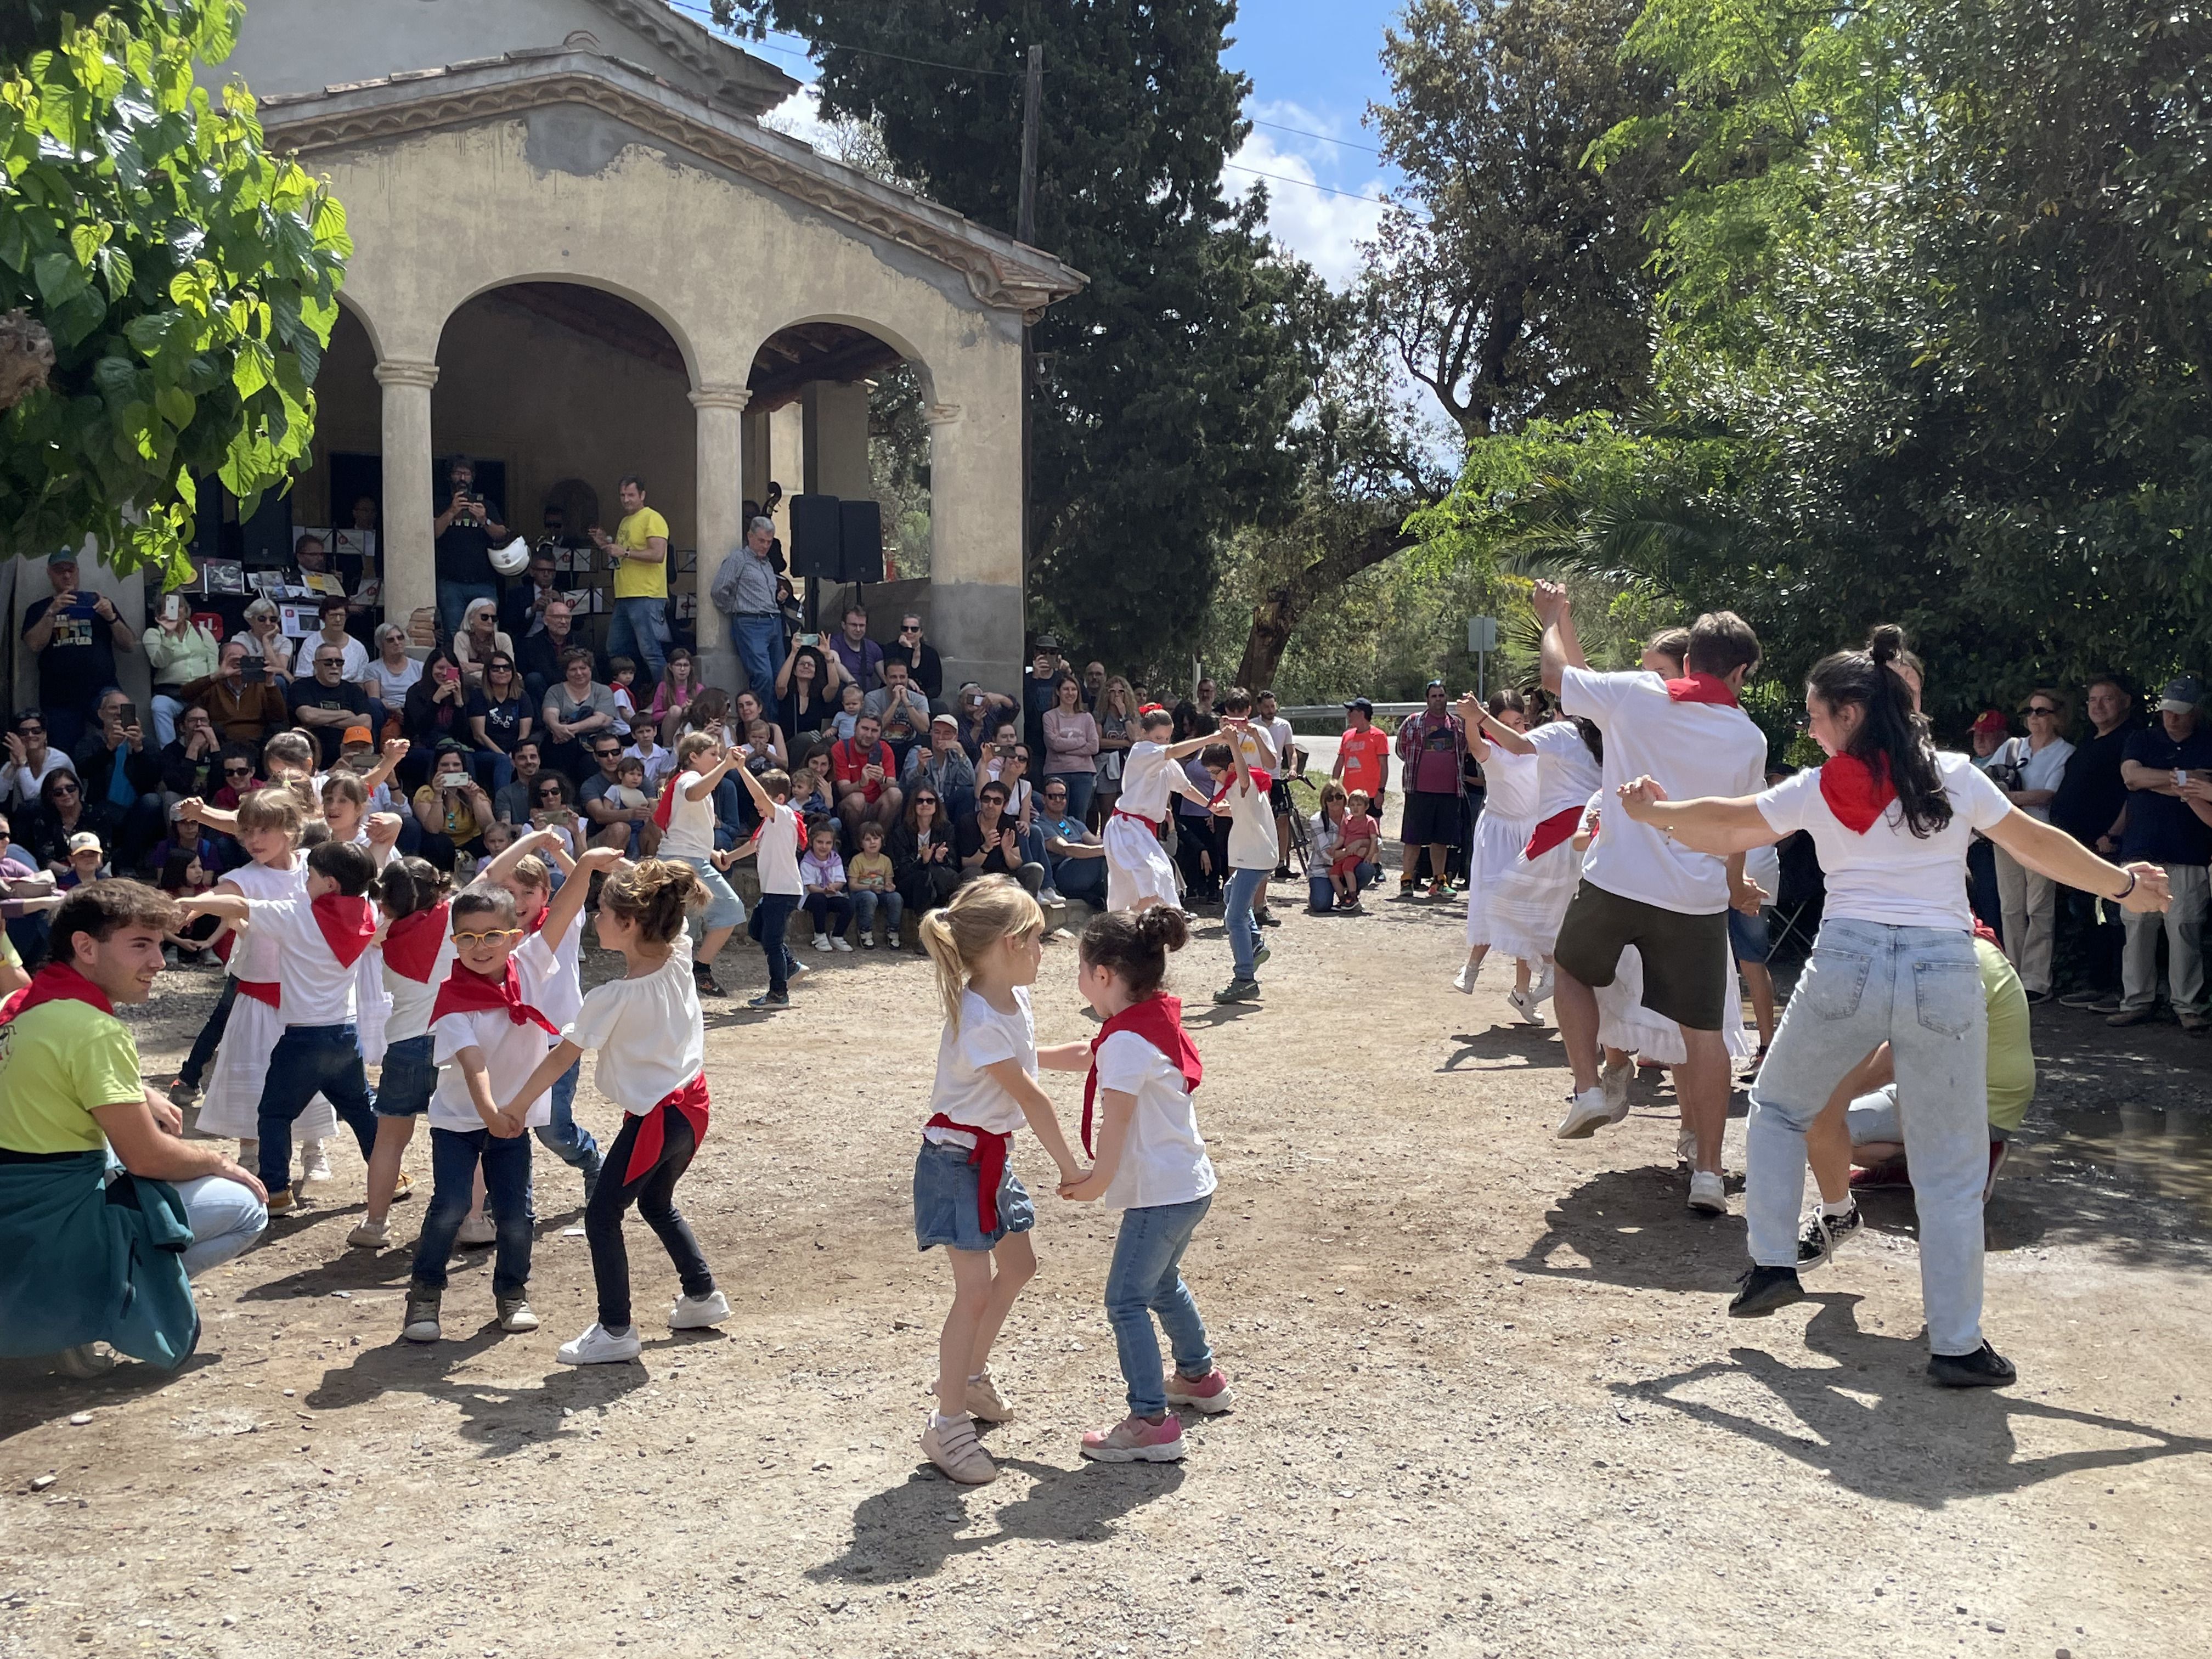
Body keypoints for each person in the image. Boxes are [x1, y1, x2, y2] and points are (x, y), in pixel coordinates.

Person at [1615, 624, 2171, 1384]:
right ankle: (1957, 1346)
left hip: (1847, 964)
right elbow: (2036, 844)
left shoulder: (1818, 785)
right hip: (1946, 970)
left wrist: (1656, 814)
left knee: (1778, 1109)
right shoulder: (1955, 774)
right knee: (1948, 1166)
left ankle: (1774, 1265)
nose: (1808, 727)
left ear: (1851, 712)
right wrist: (2127, 888)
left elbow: (1728, 821)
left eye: (1814, 714)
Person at [1533, 583, 1769, 1215]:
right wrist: (1732, 884)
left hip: (1617, 880)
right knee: (1705, 1034)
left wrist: (1555, 616)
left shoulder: (1639, 696)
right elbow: (1737, 826)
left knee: (1570, 970)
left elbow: (1560, 675)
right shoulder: (1749, 740)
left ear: (1689, 658)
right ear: (1741, 671)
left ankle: (1590, 1087)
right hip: (1692, 900)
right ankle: (1710, 1174)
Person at [0, 881, 267, 1378]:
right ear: (85, 947)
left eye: (160, 946)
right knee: (246, 1207)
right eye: (140, 945)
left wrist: (140, 1091)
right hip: (55, 1217)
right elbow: (148, 1157)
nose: (159, 963)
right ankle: (94, 1313)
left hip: (13, 1210)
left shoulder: (17, 1006)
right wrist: (221, 1161)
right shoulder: (96, 1030)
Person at [504, 861, 731, 1365]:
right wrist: (626, 873)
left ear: (629, 923)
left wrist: (516, 1106)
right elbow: (664, 900)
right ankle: (701, 1296)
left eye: (602, 909)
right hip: (692, 1108)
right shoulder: (679, 954)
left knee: (603, 1216)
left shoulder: (610, 998)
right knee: (654, 1202)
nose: (595, 916)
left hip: (656, 1118)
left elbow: (561, 1056)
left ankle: (616, 1329)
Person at [912, 877, 1087, 1484]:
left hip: (988, 1156)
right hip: (958, 1161)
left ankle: (969, 1379)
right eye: (1039, 939)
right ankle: (947, 1421)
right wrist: (1073, 1169)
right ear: (1011, 944)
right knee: (976, 1290)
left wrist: (1082, 1053)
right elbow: (1032, 1098)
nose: (1046, 950)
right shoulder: (982, 1015)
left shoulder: (1009, 998)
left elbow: (1027, 1064)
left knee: (1018, 1268)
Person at [1059, 906, 1231, 1460]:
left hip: (1161, 1193)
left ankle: (1150, 1421)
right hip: (1189, 1184)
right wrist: (1018, 1059)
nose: (1080, 980)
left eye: (1082, 969)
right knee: (1161, 1284)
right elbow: (1089, 1055)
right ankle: (1200, 1378)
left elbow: (1119, 1118)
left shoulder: (1127, 1043)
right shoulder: (1146, 1021)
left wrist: (1095, 1180)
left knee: (1125, 1301)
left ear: (1104, 974)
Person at [1794, 928, 2035, 1270]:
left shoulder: (1952, 964)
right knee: (1831, 1130)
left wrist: (1824, 1095)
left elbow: (1893, 1059)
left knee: (1823, 1126)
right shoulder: (1970, 947)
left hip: (1978, 1106)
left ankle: (1968, 1155)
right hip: (1968, 1093)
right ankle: (1921, 1166)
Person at [179, 839, 387, 1212]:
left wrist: (192, 903)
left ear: (329, 883)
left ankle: (276, 1190)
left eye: (310, 875)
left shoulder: (297, 915)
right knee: (361, 1107)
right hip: (344, 1033)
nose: (303, 881)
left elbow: (240, 904)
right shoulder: (367, 911)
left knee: (274, 1114)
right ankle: (391, 1176)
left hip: (302, 1037)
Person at [397, 881, 561, 1342]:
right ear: (454, 943)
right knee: (450, 1207)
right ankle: (425, 1295)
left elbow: (564, 911)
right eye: (466, 937)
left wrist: (586, 863)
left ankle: (513, 1293)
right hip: (459, 1122)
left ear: (514, 937)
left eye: (492, 934)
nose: (479, 946)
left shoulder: (528, 968)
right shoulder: (452, 999)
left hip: (511, 1121)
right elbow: (474, 1066)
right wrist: (491, 1112)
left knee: (515, 1215)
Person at [347, 856, 445, 1250]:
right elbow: (490, 876)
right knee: (462, 1136)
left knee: (389, 1140)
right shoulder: (454, 918)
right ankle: (474, 1218)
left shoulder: (381, 934)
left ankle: (375, 1224)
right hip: (451, 1044)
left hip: (403, 1045)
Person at [2111, 676, 2212, 1030]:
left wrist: (2154, 779)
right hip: (2139, 848)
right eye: (2167, 710)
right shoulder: (2142, 738)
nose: (2171, 718)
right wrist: (2187, 781)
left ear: (2197, 711)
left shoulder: (2208, 741)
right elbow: (2130, 778)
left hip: (2190, 851)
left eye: (2180, 712)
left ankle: (2188, 1005)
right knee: (2137, 926)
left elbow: (2206, 787)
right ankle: (2136, 1000)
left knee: (2185, 928)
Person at [2052, 674, 2138, 1009]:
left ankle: (2119, 990)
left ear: (2126, 702)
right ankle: (2096, 983)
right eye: (2093, 700)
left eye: (2107, 699)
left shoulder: (2130, 740)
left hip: (2108, 845)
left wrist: (2114, 834)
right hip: (2078, 846)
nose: (2098, 706)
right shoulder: (2089, 741)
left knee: (2116, 918)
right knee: (2087, 916)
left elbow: (2132, 796)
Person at [1451, 690, 1540, 1006]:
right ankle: (1472, 966)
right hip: (1499, 831)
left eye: (1518, 721)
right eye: (1504, 723)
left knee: (1527, 909)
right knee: (1493, 898)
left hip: (1530, 830)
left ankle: (1522, 991)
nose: (1514, 729)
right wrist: (1471, 717)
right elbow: (1474, 744)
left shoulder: (1538, 744)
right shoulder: (1490, 750)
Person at [1988, 689, 2076, 1002]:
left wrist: (2007, 800)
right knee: (2011, 906)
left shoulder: (2065, 752)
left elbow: (2049, 794)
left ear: (2056, 717)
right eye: (2030, 711)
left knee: (2038, 908)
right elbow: (1986, 781)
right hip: (2006, 832)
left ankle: (2037, 981)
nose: (2035, 717)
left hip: (2041, 835)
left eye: (2042, 711)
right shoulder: (2012, 747)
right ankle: (2013, 976)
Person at [654, 731, 748, 996]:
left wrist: (711, 853)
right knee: (730, 910)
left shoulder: (687, 778)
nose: (718, 759)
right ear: (693, 757)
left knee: (680, 928)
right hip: (684, 863)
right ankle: (700, 970)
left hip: (683, 860)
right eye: (713, 755)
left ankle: (680, 979)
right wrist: (728, 766)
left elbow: (689, 830)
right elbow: (694, 794)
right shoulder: (690, 778)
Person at [21, 549, 137, 757]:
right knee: (63, 754)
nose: (66, 576)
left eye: (70, 570)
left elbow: (129, 645)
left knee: (127, 716)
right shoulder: (39, 608)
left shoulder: (99, 601)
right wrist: (52, 611)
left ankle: (138, 759)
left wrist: (110, 617)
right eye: (59, 571)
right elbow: (34, 645)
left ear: (78, 572)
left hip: (103, 687)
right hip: (59, 696)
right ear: (49, 573)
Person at [1106, 707, 1217, 912]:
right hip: (1126, 827)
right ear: (1144, 733)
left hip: (1144, 829)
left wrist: (1211, 806)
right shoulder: (1141, 750)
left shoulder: (1167, 761)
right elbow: (1173, 751)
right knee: (1148, 877)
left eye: (1166, 738)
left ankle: (1142, 921)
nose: (1162, 742)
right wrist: (1209, 739)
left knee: (1157, 877)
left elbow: (1185, 788)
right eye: (1158, 737)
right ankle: (1140, 920)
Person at [1210, 719, 1278, 1007]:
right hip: (1254, 856)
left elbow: (1242, 776)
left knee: (1234, 917)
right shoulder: (1235, 788)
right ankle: (1254, 944)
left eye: (1215, 772)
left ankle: (1245, 979)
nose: (1213, 777)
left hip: (1254, 857)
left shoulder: (1242, 781)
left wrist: (1234, 744)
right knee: (1230, 892)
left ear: (1228, 768)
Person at [732, 757, 805, 1010]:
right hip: (774, 892)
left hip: (782, 892)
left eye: (762, 798)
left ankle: (778, 993)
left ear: (780, 800)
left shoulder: (784, 815)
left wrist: (741, 769)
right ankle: (791, 965)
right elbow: (753, 846)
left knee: (772, 942)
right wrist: (727, 858)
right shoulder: (768, 825)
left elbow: (762, 798)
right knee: (757, 931)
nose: (756, 804)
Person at [74, 689, 165, 872]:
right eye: (113, 708)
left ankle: (126, 863)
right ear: (101, 714)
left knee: (152, 802)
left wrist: (138, 749)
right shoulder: (91, 742)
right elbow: (83, 770)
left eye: (124, 709)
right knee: (103, 809)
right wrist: (109, 748)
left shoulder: (147, 744)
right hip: (102, 810)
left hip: (137, 813)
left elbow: (153, 779)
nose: (118, 713)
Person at [1394, 681, 1466, 899]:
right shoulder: (1414, 723)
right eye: (1434, 696)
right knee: (1413, 839)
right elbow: (1401, 749)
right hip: (1419, 790)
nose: (1438, 699)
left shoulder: (1456, 725)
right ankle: (1407, 880)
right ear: (1427, 699)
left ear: (1447, 698)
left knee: (1441, 840)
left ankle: (1439, 882)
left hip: (1448, 792)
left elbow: (1464, 749)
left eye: (1441, 695)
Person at [710, 515, 787, 699]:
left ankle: (776, 723)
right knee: (763, 676)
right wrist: (736, 609)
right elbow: (719, 590)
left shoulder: (767, 564)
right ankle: (764, 722)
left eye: (769, 542)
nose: (765, 546)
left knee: (781, 677)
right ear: (750, 536)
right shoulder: (739, 559)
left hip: (773, 621)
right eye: (761, 541)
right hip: (750, 623)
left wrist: (779, 598)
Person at [434, 455, 508, 640]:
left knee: (487, 632)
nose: (462, 478)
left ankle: (485, 669)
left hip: (483, 582)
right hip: (450, 582)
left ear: (472, 477)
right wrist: (452, 511)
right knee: (453, 633)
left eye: (466, 474)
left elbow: (501, 534)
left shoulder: (486, 505)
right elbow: (433, 534)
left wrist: (485, 520)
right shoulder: (440, 504)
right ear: (450, 477)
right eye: (458, 473)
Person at [142, 592, 222, 748]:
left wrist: (209, 686)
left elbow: (213, 663)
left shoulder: (202, 633)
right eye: (170, 607)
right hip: (172, 693)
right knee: (159, 706)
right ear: (160, 613)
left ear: (186, 610)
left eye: (179, 607)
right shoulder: (153, 634)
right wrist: (168, 634)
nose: (176, 611)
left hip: (202, 692)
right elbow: (159, 663)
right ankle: (170, 751)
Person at [180, 639, 288, 750]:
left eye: (243, 659)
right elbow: (186, 694)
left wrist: (270, 683)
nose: (238, 662)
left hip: (256, 744)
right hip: (221, 743)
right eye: (233, 658)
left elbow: (279, 717)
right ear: (221, 662)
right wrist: (217, 675)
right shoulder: (212, 686)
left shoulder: (260, 685)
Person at [540, 647, 622, 782]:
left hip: (593, 742)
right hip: (561, 743)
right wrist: (556, 726)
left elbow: (601, 720)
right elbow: (549, 715)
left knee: (590, 763)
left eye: (583, 668)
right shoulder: (555, 691)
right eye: (573, 669)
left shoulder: (603, 690)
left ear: (590, 669)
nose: (579, 673)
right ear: (566, 672)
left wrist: (567, 730)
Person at [289, 639, 374, 768]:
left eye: (339, 662)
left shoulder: (353, 690)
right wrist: (345, 714)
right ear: (315, 664)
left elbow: (365, 723)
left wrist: (323, 720)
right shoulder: (301, 686)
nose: (334, 666)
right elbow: (308, 716)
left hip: (349, 756)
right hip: (310, 755)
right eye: (328, 662)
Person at [410, 746, 495, 873]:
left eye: (456, 765)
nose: (451, 769)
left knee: (488, 841)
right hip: (442, 849)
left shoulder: (476, 791)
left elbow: (489, 827)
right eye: (445, 765)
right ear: (436, 769)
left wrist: (474, 797)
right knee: (438, 842)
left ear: (463, 768)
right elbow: (433, 829)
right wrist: (438, 795)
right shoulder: (426, 793)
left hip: (470, 846)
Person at [891, 786, 961, 935]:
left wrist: (939, 859)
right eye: (920, 801)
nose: (925, 805)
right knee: (923, 877)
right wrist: (923, 862)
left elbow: (954, 862)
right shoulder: (901, 831)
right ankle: (926, 933)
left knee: (946, 877)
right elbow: (902, 869)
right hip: (910, 884)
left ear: (937, 805)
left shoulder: (946, 829)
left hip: (937, 879)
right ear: (913, 805)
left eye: (930, 801)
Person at [959, 780, 1046, 896]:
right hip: (981, 876)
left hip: (1004, 876)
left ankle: (1027, 911)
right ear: (981, 802)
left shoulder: (1008, 822)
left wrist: (1007, 851)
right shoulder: (967, 822)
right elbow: (966, 864)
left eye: (997, 801)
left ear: (1005, 805)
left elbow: (1016, 864)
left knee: (1035, 869)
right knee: (973, 873)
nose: (990, 805)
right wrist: (986, 848)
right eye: (986, 799)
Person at [832, 713, 905, 845]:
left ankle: (881, 846)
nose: (869, 735)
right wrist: (861, 783)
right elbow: (843, 790)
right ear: (855, 727)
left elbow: (892, 783)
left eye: (875, 731)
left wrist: (882, 779)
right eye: (865, 729)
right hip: (851, 808)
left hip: (878, 807)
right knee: (857, 799)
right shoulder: (841, 747)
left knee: (895, 794)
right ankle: (856, 849)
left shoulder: (884, 749)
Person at [466, 653, 533, 794]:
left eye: (506, 668)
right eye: (496, 669)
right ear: (488, 673)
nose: (502, 671)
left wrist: (515, 754)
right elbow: (479, 735)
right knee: (503, 762)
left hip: (515, 750)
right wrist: (505, 756)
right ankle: (503, 808)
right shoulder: (478, 696)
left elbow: (524, 733)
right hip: (484, 752)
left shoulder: (522, 697)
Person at [1037, 778, 1108, 908]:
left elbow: (1095, 842)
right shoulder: (1042, 824)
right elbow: (1066, 849)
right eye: (1052, 796)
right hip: (1062, 873)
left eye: (1062, 796)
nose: (1058, 800)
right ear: (1044, 799)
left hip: (1084, 869)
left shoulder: (1073, 822)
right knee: (1103, 857)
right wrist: (1106, 850)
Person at [1042, 673, 1102, 825]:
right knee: (1058, 817)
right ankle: (1063, 842)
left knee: (1078, 818)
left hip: (1083, 775)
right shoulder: (1049, 717)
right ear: (1058, 692)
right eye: (1066, 689)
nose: (1070, 693)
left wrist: (1065, 749)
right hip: (1057, 772)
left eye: (1074, 689)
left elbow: (1094, 747)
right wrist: (1081, 742)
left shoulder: (1087, 718)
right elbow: (1054, 744)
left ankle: (1077, 844)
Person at [904, 713, 979, 825]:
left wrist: (960, 750)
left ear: (956, 737)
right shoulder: (918, 751)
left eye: (947, 733)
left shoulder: (956, 755)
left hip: (945, 806)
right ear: (931, 734)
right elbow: (909, 784)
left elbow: (969, 782)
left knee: (968, 793)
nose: (940, 738)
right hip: (922, 804)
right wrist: (921, 766)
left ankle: (961, 837)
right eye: (937, 732)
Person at [518, 599, 592, 704]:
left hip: (579, 690)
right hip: (548, 694)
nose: (563, 622)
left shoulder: (581, 641)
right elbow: (546, 673)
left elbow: (592, 671)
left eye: (567, 617)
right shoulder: (533, 644)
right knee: (533, 679)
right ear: (545, 620)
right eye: (558, 617)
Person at [1331, 697, 1391, 822]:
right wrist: (1334, 785)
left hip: (1371, 795)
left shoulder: (1379, 736)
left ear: (1362, 713)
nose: (1348, 715)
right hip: (1349, 795)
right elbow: (1340, 762)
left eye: (1351, 711)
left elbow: (1384, 766)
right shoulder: (1347, 735)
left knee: (1372, 833)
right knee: (1350, 831)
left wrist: (1381, 791)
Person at [864, 657, 934, 763]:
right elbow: (877, 728)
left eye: (902, 677)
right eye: (893, 677)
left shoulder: (919, 699)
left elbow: (924, 728)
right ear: (886, 678)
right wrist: (896, 702)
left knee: (918, 754)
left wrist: (907, 702)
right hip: (881, 744)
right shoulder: (872, 698)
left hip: (909, 745)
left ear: (907, 678)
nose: (898, 681)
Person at [801, 820, 855, 951]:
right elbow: (810, 887)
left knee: (847, 905)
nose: (824, 846)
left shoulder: (836, 860)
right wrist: (823, 890)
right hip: (812, 896)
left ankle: (837, 936)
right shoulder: (807, 862)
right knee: (819, 900)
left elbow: (841, 881)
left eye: (828, 843)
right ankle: (819, 936)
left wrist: (834, 887)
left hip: (831, 895)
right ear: (811, 842)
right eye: (820, 842)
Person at [290, 594, 370, 684]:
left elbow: (360, 683)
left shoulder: (358, 648)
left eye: (341, 615)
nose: (338, 620)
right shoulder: (310, 644)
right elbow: (301, 680)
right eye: (333, 615)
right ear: (324, 618)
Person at [847, 821, 902, 947]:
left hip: (881, 892)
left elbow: (889, 882)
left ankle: (893, 930)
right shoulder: (857, 860)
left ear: (882, 840)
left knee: (896, 898)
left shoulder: (886, 860)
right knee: (869, 897)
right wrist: (870, 887)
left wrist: (890, 887)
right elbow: (852, 885)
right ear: (861, 843)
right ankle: (865, 931)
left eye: (876, 838)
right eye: (868, 839)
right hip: (862, 893)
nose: (872, 842)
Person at [5, 710, 74, 814]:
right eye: (24, 732)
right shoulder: (17, 758)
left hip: (61, 814)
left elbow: (32, 796)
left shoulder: (59, 759)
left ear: (45, 734)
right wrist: (12, 767)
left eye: (36, 730)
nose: (30, 735)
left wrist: (23, 761)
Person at [775, 639, 840, 742]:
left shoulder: (820, 695)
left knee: (831, 741)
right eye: (802, 664)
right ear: (794, 671)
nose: (806, 666)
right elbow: (780, 685)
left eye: (810, 664)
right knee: (804, 738)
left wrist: (828, 655)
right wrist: (794, 653)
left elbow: (834, 686)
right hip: (789, 747)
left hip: (813, 748)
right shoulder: (787, 694)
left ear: (815, 672)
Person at [1093, 676, 1137, 827]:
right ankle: (1105, 846)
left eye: (1121, 692)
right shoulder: (1101, 715)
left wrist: (1124, 715)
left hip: (1127, 766)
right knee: (1107, 810)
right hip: (1106, 765)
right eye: (1112, 691)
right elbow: (1098, 742)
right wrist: (1124, 743)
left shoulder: (1132, 716)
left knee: (1125, 811)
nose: (1117, 695)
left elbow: (1135, 738)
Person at [450, 597, 514, 693]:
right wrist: (493, 668)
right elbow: (462, 669)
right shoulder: (461, 637)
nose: (490, 621)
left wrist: (477, 667)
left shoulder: (503, 638)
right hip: (474, 683)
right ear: (471, 618)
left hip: (499, 680)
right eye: (484, 617)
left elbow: (509, 667)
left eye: (494, 618)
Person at [503, 549, 566, 644]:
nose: (546, 574)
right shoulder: (518, 594)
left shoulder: (563, 594)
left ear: (555, 573)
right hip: (527, 642)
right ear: (532, 572)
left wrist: (562, 604)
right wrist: (531, 610)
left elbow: (578, 625)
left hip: (557, 644)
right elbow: (508, 623)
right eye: (542, 570)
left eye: (550, 571)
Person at [359, 622, 424, 713]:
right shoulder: (372, 669)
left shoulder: (419, 667)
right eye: (391, 640)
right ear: (381, 645)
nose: (397, 643)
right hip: (387, 713)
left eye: (400, 638)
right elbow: (375, 701)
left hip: (415, 711)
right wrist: (395, 710)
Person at [235, 599, 295, 689]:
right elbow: (244, 671)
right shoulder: (240, 640)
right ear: (251, 620)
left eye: (273, 619)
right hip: (246, 684)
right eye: (262, 619)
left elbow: (280, 668)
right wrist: (282, 671)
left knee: (279, 681)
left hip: (272, 684)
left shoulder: (284, 642)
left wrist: (266, 641)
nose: (268, 623)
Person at [886, 611, 944, 704]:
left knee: (938, 705)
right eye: (905, 629)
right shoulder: (891, 649)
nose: (909, 632)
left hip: (922, 698)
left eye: (914, 629)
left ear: (921, 633)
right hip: (894, 695)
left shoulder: (931, 654)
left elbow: (936, 687)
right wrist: (908, 649)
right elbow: (894, 673)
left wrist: (923, 695)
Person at [826, 604, 884, 693]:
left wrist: (907, 681)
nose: (858, 630)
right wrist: (852, 682)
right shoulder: (835, 643)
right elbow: (835, 663)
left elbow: (885, 677)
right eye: (854, 625)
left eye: (862, 626)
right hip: (842, 700)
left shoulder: (873, 648)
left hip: (867, 701)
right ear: (844, 625)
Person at [648, 647, 700, 746]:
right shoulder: (663, 687)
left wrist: (693, 708)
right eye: (678, 665)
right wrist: (678, 711)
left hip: (691, 728)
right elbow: (655, 716)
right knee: (676, 711)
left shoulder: (698, 688)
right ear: (670, 667)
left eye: (686, 665)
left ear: (691, 668)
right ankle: (667, 749)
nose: (682, 669)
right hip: (668, 730)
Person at [1171, 676, 1217, 744]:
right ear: (1197, 693)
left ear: (1215, 693)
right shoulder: (1188, 712)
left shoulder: (1218, 714)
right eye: (1202, 691)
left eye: (1208, 691)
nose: (1205, 695)